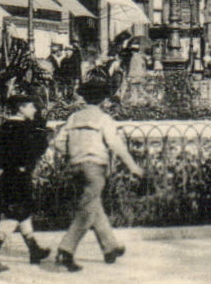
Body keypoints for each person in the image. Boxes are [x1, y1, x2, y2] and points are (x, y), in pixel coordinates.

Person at [52, 77, 144, 271]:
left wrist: (75, 152)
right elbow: (115, 145)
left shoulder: (73, 118)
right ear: (103, 100)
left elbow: (59, 143)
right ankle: (65, 250)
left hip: (75, 166)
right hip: (94, 167)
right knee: (87, 211)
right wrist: (133, 167)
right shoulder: (104, 119)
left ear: (85, 98)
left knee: (93, 205)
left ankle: (110, 247)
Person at [0, 89, 53, 271]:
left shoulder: (1, 128)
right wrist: (41, 125)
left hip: (5, 178)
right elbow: (39, 148)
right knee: (15, 215)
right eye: (31, 106)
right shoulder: (27, 130)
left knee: (22, 212)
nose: (34, 109)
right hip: (19, 179)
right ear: (21, 109)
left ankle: (34, 249)